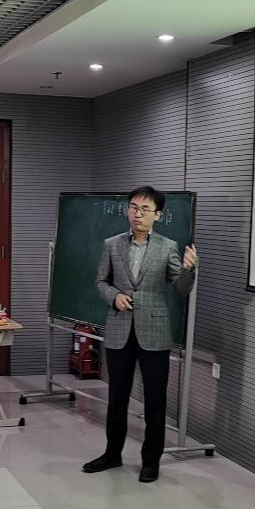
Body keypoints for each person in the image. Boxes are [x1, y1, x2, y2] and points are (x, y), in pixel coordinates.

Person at [83, 186, 198, 483]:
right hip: (119, 328)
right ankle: (112, 454)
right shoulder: (112, 244)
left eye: (145, 209)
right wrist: (114, 297)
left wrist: (188, 270)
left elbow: (180, 289)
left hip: (154, 331)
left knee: (154, 401)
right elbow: (100, 281)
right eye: (133, 207)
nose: (137, 214)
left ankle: (150, 461)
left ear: (158, 215)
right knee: (117, 398)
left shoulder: (168, 246)